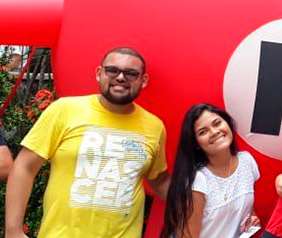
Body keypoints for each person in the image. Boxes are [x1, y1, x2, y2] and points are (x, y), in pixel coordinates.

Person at [5, 47, 170, 238]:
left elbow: (158, 178)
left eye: (131, 73)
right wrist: (12, 231)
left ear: (143, 80)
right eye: (112, 70)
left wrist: (202, 199)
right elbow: (24, 167)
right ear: (99, 74)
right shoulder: (64, 110)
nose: (121, 77)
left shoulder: (154, 127)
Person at [162, 104, 260, 237]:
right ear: (196, 144)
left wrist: (251, 220)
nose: (214, 132)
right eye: (203, 132)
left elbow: (245, 208)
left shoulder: (247, 161)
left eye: (217, 123)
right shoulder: (198, 180)